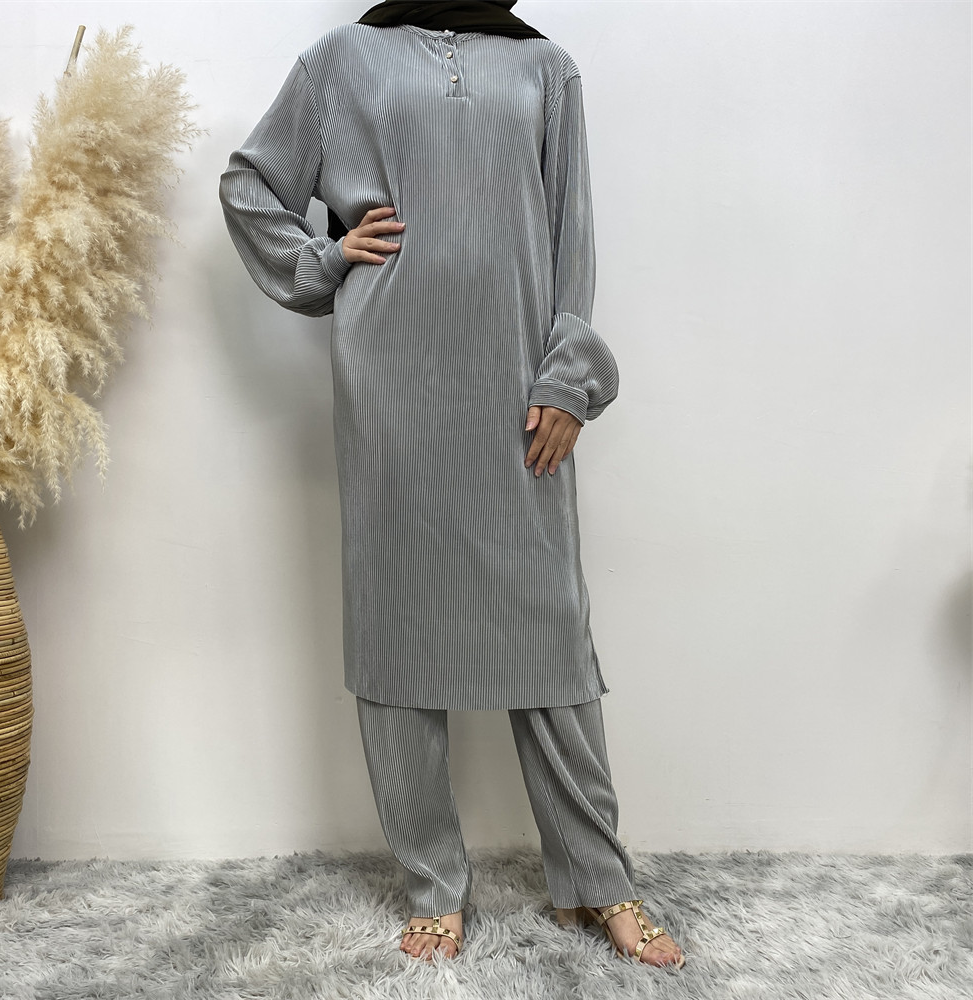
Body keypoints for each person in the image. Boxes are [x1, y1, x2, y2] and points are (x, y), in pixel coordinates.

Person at [219, 0, 685, 969]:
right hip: (392, 387)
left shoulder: (546, 67)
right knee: (398, 628)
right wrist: (325, 257)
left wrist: (568, 377)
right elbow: (250, 183)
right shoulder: (344, 57)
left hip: (516, 391)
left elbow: (572, 237)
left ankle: (596, 878)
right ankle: (435, 883)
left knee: (550, 632)